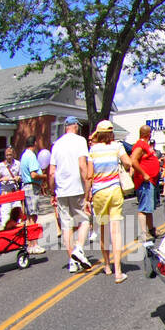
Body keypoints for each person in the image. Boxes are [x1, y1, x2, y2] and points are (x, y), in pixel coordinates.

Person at [84, 119, 133, 283]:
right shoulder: (117, 146)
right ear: (111, 133)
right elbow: (128, 162)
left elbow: (89, 176)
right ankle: (119, 271)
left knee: (103, 230)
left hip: (99, 193)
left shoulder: (93, 150)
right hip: (114, 191)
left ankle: (107, 265)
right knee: (116, 231)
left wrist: (86, 197)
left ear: (98, 134)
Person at [49, 116, 93, 273]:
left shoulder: (57, 144)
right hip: (77, 188)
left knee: (66, 225)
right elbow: (82, 165)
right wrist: (88, 186)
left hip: (61, 189)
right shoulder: (80, 141)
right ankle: (79, 249)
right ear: (75, 126)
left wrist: (52, 190)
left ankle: (72, 261)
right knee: (85, 219)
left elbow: (52, 172)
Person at [130, 125, 161, 242]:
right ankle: (143, 233)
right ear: (148, 134)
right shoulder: (140, 145)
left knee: (149, 208)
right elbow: (133, 160)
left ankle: (151, 229)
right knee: (143, 208)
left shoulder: (145, 145)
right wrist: (144, 174)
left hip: (150, 181)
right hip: (144, 181)